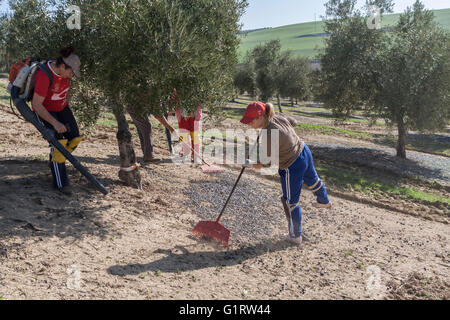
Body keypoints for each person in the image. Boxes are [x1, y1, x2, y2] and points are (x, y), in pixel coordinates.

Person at [240, 102, 331, 245]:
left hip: (291, 164)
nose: (249, 124)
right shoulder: (277, 117)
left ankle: (295, 236)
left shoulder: (268, 136)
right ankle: (324, 200)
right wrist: (285, 137)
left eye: (251, 121)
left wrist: (250, 163)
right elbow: (293, 122)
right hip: (303, 151)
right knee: (313, 180)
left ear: (260, 117)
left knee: (290, 201)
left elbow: (267, 164)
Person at [31, 46, 82, 196]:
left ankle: (56, 159)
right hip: (45, 110)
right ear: (61, 66)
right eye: (70, 71)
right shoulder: (44, 75)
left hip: (62, 108)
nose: (71, 75)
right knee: (59, 143)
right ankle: (61, 183)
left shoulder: (64, 73)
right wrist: (55, 123)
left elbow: (65, 92)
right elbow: (36, 105)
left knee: (74, 138)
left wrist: (66, 111)